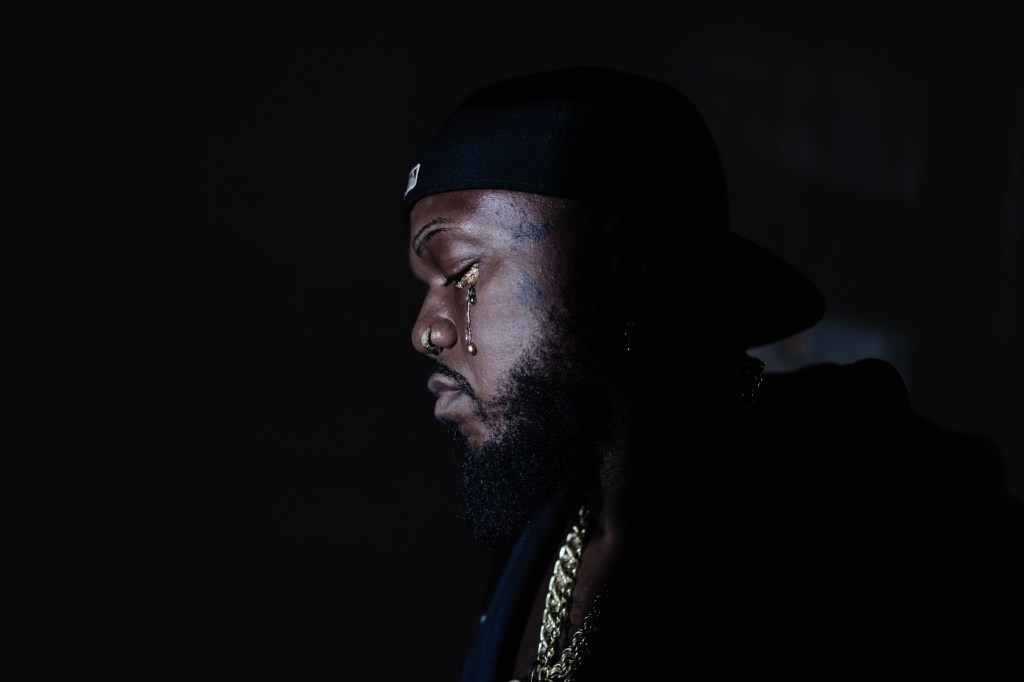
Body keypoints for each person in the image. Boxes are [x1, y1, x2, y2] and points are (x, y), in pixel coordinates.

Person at [401, 66, 1022, 680]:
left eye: (461, 273)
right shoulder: (546, 528)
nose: (426, 331)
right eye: (426, 287)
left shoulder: (856, 496)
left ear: (628, 267)